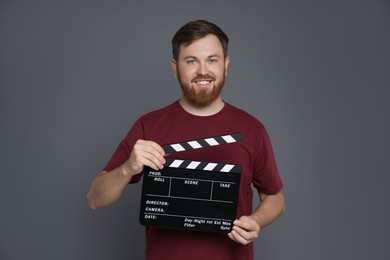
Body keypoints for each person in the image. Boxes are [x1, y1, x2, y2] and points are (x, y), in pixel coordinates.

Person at [87, 19, 285, 260]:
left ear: (226, 65)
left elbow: (275, 198)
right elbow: (95, 199)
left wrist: (256, 220)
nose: (203, 70)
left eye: (212, 60)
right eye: (191, 61)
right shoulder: (148, 126)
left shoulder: (252, 129)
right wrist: (128, 167)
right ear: (175, 67)